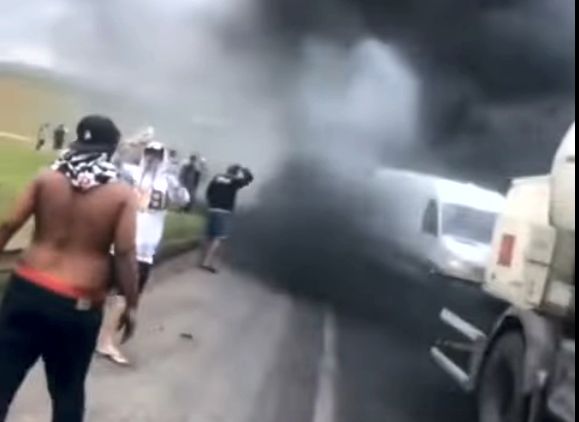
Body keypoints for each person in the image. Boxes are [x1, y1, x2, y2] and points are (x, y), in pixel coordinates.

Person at [0, 115, 139, 422]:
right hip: (77, 303)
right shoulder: (121, 195)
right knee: (67, 391)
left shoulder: (45, 179)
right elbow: (126, 252)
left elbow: (8, 224)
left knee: (3, 377)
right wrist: (131, 303)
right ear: (111, 150)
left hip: (26, 289)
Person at [96, 141, 189, 366]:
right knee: (104, 290)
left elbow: (184, 200)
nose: (152, 159)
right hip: (120, 240)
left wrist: (175, 177)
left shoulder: (168, 182)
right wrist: (127, 146)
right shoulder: (131, 173)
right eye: (150, 154)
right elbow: (111, 163)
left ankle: (105, 339)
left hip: (144, 247)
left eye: (157, 155)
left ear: (163, 157)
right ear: (144, 154)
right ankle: (100, 340)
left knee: (125, 296)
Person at [200, 164, 253, 273]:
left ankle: (202, 259)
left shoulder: (217, 178)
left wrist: (211, 203)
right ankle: (206, 262)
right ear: (235, 172)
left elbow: (208, 191)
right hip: (224, 211)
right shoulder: (234, 181)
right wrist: (244, 169)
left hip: (212, 209)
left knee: (209, 235)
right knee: (218, 237)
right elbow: (249, 179)